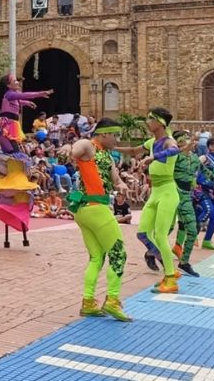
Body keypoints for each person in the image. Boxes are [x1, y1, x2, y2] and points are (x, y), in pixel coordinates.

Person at [69, 122, 132, 322]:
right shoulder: (89, 145)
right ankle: (112, 300)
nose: (117, 139)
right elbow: (77, 149)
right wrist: (69, 149)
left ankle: (88, 302)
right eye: (115, 135)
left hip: (84, 211)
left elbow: (116, 180)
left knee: (97, 257)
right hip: (95, 208)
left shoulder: (107, 155)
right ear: (104, 135)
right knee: (119, 254)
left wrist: (121, 185)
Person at [136, 107, 181, 294]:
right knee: (143, 234)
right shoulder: (152, 142)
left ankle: (170, 278)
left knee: (161, 235)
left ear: (160, 123)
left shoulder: (168, 141)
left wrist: (153, 157)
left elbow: (174, 150)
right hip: (155, 192)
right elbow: (133, 149)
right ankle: (170, 269)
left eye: (151, 119)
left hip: (168, 192)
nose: (147, 122)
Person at [170, 131, 202, 278]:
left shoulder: (195, 158)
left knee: (193, 230)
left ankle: (184, 262)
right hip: (171, 194)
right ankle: (151, 252)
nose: (187, 142)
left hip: (185, 197)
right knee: (167, 229)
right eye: (183, 140)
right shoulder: (174, 156)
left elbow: (207, 171)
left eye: (188, 139)